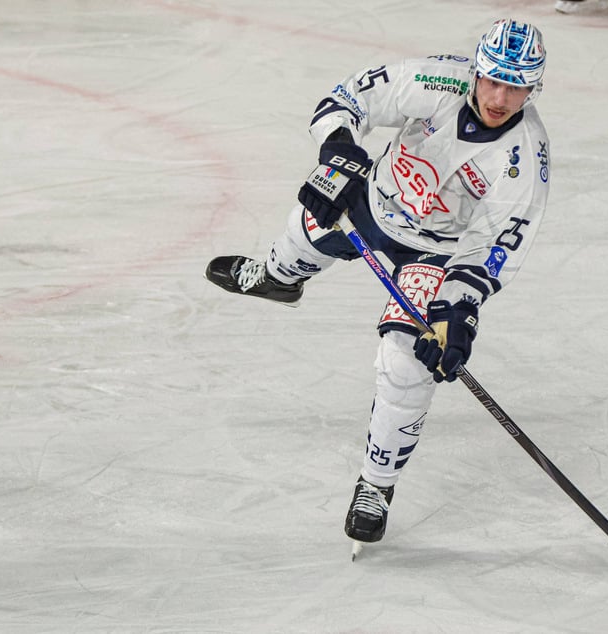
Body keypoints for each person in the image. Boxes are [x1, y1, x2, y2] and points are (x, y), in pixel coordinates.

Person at [205, 19, 550, 549]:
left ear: (534, 87)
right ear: (476, 71)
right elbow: (345, 100)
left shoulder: (523, 161)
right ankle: (276, 280)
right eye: (492, 80)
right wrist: (339, 153)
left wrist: (456, 311)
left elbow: (492, 249)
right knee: (300, 236)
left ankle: (376, 484)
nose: (500, 97)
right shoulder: (436, 80)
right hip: (372, 203)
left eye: (516, 86)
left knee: (406, 362)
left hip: (436, 252)